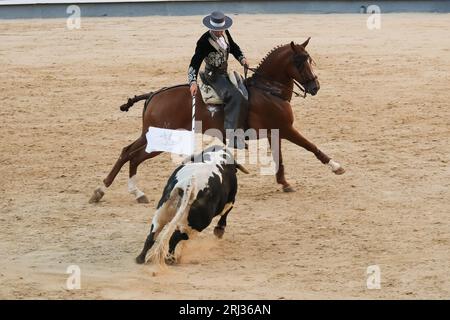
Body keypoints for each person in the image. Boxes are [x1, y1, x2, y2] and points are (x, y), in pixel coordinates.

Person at [188, 11, 249, 149]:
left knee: (245, 89)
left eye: (221, 29)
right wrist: (192, 82)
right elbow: (195, 63)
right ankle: (232, 137)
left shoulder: (225, 33)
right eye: (217, 30)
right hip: (213, 75)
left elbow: (233, 47)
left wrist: (242, 58)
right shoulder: (204, 41)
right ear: (212, 28)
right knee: (235, 97)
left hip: (224, 72)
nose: (220, 32)